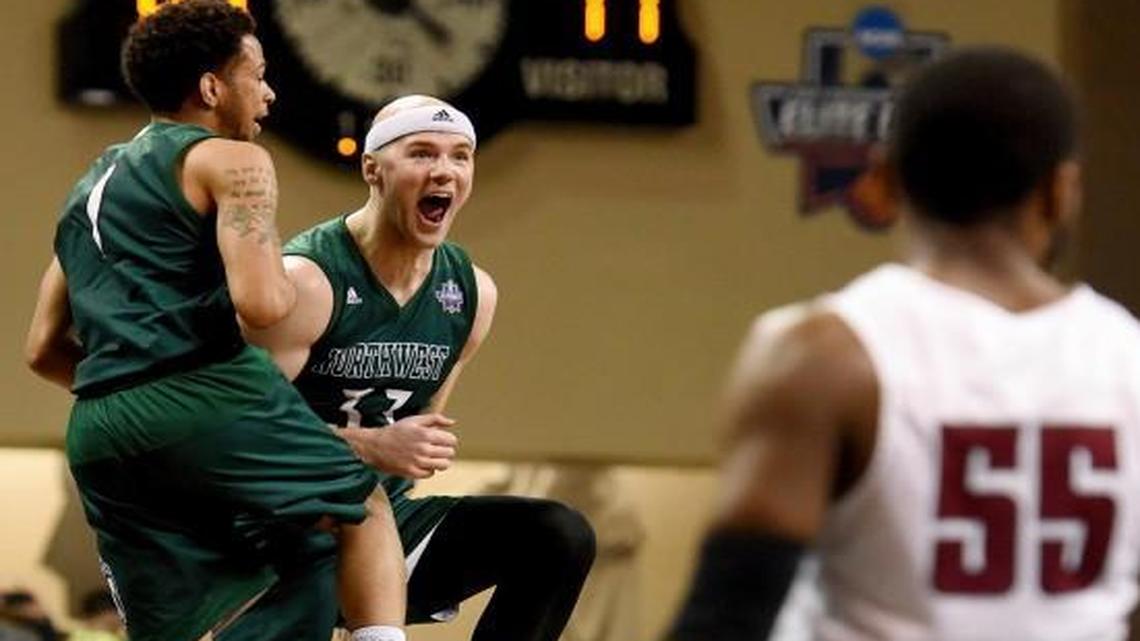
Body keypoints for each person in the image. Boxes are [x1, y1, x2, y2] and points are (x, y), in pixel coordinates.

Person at [666, 47, 1140, 640]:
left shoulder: (823, 356)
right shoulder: (1128, 361)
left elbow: (728, 614)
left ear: (885, 181)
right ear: (1059, 191)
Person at [23, 2, 405, 640]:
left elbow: (40, 349)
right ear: (211, 87)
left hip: (99, 428)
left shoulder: (89, 188)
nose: (268, 92)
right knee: (358, 505)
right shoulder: (233, 161)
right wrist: (305, 280)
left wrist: (134, 391)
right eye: (257, 75)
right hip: (203, 391)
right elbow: (263, 304)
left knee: (203, 614)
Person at [244, 94, 596, 641]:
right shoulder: (307, 281)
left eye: (460, 156)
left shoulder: (472, 292)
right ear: (372, 170)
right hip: (272, 532)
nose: (444, 171)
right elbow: (235, 427)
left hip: (383, 528)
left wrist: (406, 452)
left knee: (557, 534)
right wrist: (368, 446)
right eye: (422, 153)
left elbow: (417, 435)